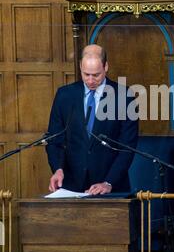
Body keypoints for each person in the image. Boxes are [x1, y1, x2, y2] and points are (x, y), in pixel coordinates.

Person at [46, 44, 138, 195]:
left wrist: (109, 182)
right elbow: (54, 139)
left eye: (96, 75)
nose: (90, 80)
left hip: (110, 188)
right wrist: (58, 169)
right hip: (71, 186)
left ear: (106, 66)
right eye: (86, 74)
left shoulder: (124, 96)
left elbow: (127, 147)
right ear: (81, 66)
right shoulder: (65, 95)